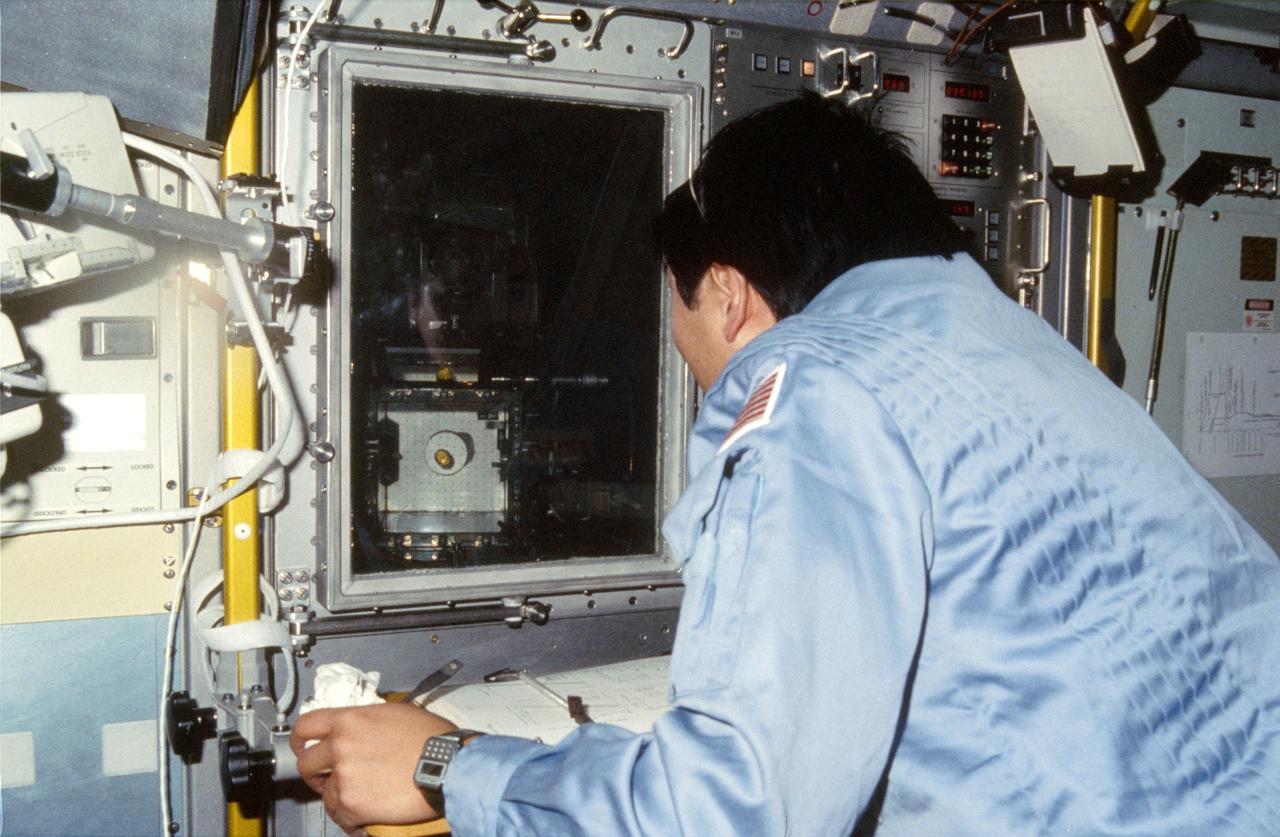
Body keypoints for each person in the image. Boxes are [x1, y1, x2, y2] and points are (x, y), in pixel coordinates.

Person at [292, 95, 1280, 835]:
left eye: (690, 347)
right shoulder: (1022, 350)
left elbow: (736, 812)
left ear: (725, 297)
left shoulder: (810, 381)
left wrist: (440, 764)